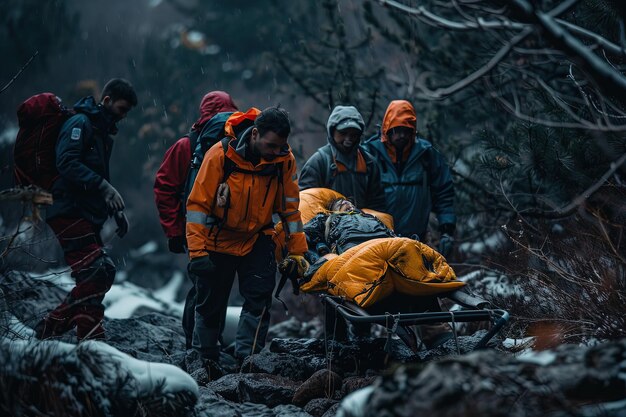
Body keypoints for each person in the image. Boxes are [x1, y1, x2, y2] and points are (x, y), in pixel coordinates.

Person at [186, 107, 308, 367]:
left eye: (281, 146)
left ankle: (248, 359)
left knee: (259, 299)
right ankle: (204, 358)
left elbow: (290, 210)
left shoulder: (284, 160)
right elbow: (197, 206)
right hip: (218, 238)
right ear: (254, 133)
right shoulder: (220, 155)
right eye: (271, 145)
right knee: (211, 302)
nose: (275, 152)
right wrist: (197, 253)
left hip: (257, 237)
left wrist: (298, 252)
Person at [35, 78, 137, 341]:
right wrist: (104, 188)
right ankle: (87, 335)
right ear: (106, 101)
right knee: (95, 272)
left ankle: (60, 328)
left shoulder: (101, 133)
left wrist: (115, 211)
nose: (123, 116)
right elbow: (66, 162)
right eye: (122, 109)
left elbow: (97, 174)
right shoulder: (79, 123)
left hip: (85, 213)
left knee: (102, 273)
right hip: (68, 210)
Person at [154, 91, 238, 349]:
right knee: (218, 288)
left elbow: (164, 188)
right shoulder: (237, 139)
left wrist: (174, 231)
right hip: (231, 228)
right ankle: (208, 344)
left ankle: (197, 345)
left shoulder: (187, 145)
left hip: (196, 227)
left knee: (204, 287)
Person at [363, 100, 456, 257]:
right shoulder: (370, 153)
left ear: (413, 131)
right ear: (387, 130)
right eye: (397, 130)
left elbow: (443, 192)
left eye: (406, 130)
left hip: (417, 239)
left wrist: (447, 229)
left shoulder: (426, 155)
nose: (401, 135)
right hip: (376, 240)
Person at [298, 105, 386, 211]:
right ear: (332, 131)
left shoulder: (369, 163)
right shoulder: (319, 162)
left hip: (364, 226)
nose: (348, 139)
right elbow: (306, 201)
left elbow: (377, 203)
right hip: (327, 225)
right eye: (343, 133)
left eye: (354, 134)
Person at [304, 198, 395, 261]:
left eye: (349, 202)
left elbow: (390, 232)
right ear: (333, 211)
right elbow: (307, 232)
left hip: (384, 242)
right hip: (354, 247)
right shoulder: (328, 219)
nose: (347, 203)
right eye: (341, 204)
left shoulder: (368, 216)